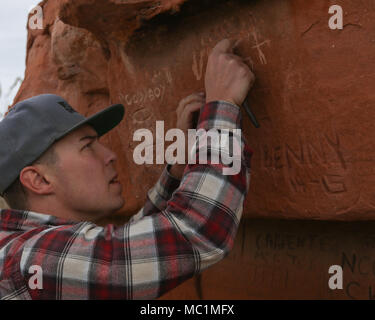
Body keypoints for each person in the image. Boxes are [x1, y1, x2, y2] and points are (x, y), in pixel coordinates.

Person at [0, 38, 255, 299]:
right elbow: (194, 231)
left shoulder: (20, 250)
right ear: (39, 180)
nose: (110, 155)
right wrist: (222, 105)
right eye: (87, 146)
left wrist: (179, 170)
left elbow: (128, 247)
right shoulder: (36, 260)